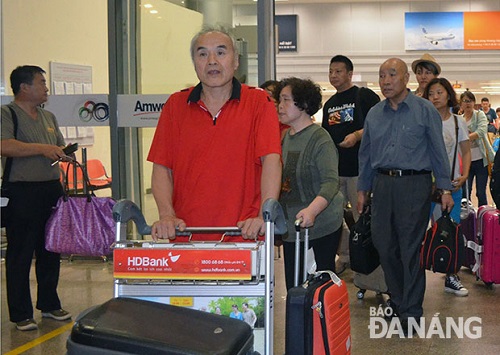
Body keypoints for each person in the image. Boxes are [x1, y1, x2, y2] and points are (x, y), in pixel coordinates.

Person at [147, 25, 282, 241]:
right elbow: (162, 166)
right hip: (187, 236)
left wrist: (263, 216)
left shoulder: (259, 103)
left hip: (244, 235)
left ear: (235, 61)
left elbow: (271, 161)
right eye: (202, 54)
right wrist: (166, 215)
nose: (212, 60)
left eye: (220, 52)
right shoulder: (175, 105)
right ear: (195, 64)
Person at [357, 58, 454, 333]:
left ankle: (410, 312)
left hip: (415, 185)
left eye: (391, 75)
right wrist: (362, 190)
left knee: (410, 248)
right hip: (382, 184)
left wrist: (445, 188)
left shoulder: (424, 111)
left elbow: (438, 151)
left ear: (405, 78)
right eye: (381, 76)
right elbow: (365, 155)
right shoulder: (375, 113)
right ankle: (398, 300)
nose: (385, 81)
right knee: (385, 246)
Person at [0, 65, 72, 331]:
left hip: (51, 190)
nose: (46, 87)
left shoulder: (49, 117)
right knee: (20, 252)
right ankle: (21, 314)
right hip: (22, 192)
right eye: (41, 82)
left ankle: (50, 304)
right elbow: (4, 145)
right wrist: (44, 149)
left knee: (50, 250)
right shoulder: (7, 114)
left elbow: (58, 147)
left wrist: (65, 153)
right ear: (24, 87)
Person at [276, 77, 344, 291]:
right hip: (292, 228)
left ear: (303, 105)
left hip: (321, 226)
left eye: (286, 100)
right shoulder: (285, 137)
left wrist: (312, 211)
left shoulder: (320, 138)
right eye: (279, 100)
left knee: (318, 289)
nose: (280, 105)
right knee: (294, 287)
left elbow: (331, 182)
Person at [321, 55, 380, 274]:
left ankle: (367, 264)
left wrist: (356, 135)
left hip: (361, 171)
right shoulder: (329, 105)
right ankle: (346, 255)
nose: (333, 75)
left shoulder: (363, 96)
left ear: (349, 73)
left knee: (361, 218)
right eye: (330, 71)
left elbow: (379, 125)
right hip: (336, 171)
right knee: (331, 217)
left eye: (338, 71)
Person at [423, 77, 471, 297]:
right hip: (424, 185)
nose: (435, 97)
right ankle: (414, 277)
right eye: (431, 93)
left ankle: (451, 275)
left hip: (450, 185)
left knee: (450, 231)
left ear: (448, 95)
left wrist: (465, 174)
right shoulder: (422, 119)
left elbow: (466, 150)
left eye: (439, 92)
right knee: (416, 231)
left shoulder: (456, 122)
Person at [460, 91, 495, 207]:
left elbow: (481, 131)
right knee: (465, 193)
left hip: (481, 160)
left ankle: (482, 218)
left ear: (474, 103)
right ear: (461, 104)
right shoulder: (459, 119)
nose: (467, 104)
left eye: (469, 101)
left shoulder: (479, 115)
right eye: (464, 101)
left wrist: (465, 137)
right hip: (466, 162)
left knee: (480, 192)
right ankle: (466, 221)